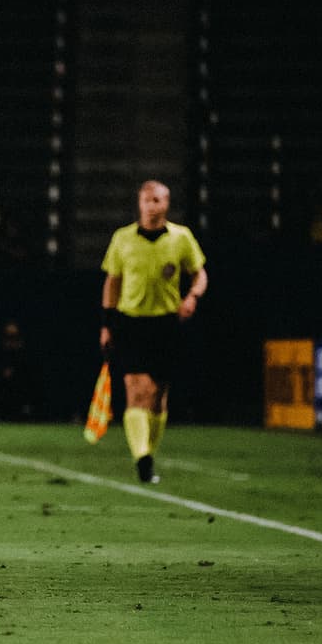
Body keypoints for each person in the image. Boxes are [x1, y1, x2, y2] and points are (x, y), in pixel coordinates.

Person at [99, 180, 208, 483]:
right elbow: (112, 282)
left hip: (165, 324)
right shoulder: (122, 239)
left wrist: (192, 297)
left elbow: (200, 274)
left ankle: (148, 453)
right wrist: (107, 324)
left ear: (166, 204)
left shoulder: (181, 238)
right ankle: (142, 459)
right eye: (147, 200)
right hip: (131, 322)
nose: (151, 206)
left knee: (158, 397)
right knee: (137, 390)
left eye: (157, 200)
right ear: (139, 204)